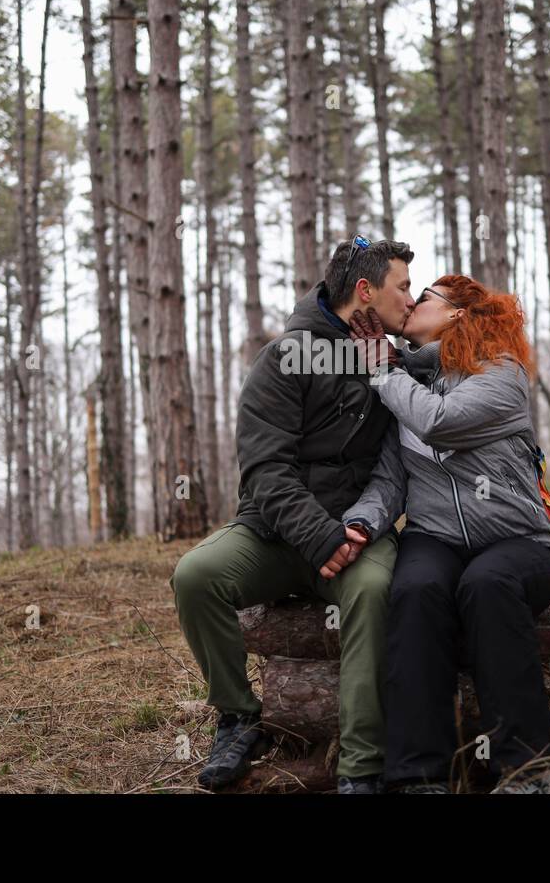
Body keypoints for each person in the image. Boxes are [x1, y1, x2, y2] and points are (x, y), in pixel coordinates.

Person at [171, 237, 416, 794]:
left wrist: (355, 530)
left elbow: (393, 464)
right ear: (365, 291)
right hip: (278, 532)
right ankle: (237, 719)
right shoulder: (285, 357)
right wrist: (319, 537)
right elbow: (265, 469)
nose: (409, 298)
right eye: (401, 287)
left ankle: (360, 766)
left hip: (360, 532)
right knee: (195, 575)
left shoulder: (393, 359)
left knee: (375, 590)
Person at [341, 274, 550, 794]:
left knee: (486, 584)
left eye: (422, 296)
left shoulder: (501, 373)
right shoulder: (405, 385)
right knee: (416, 589)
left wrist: (383, 369)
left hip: (518, 541)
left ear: (453, 314)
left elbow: (441, 422)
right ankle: (418, 776)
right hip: (436, 536)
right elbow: (389, 480)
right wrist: (359, 522)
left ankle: (523, 771)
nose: (410, 302)